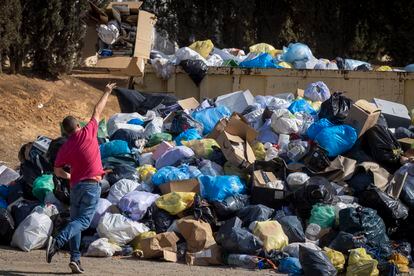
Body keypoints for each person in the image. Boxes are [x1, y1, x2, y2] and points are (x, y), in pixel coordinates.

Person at [46, 82, 116, 274]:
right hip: (91, 185)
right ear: (78, 125)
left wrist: (69, 175)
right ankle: (58, 241)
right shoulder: (89, 130)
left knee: (75, 221)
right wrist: (107, 91)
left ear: (66, 132)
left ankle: (75, 259)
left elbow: (57, 170)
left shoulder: (66, 147)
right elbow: (97, 109)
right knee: (84, 222)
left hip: (75, 186)